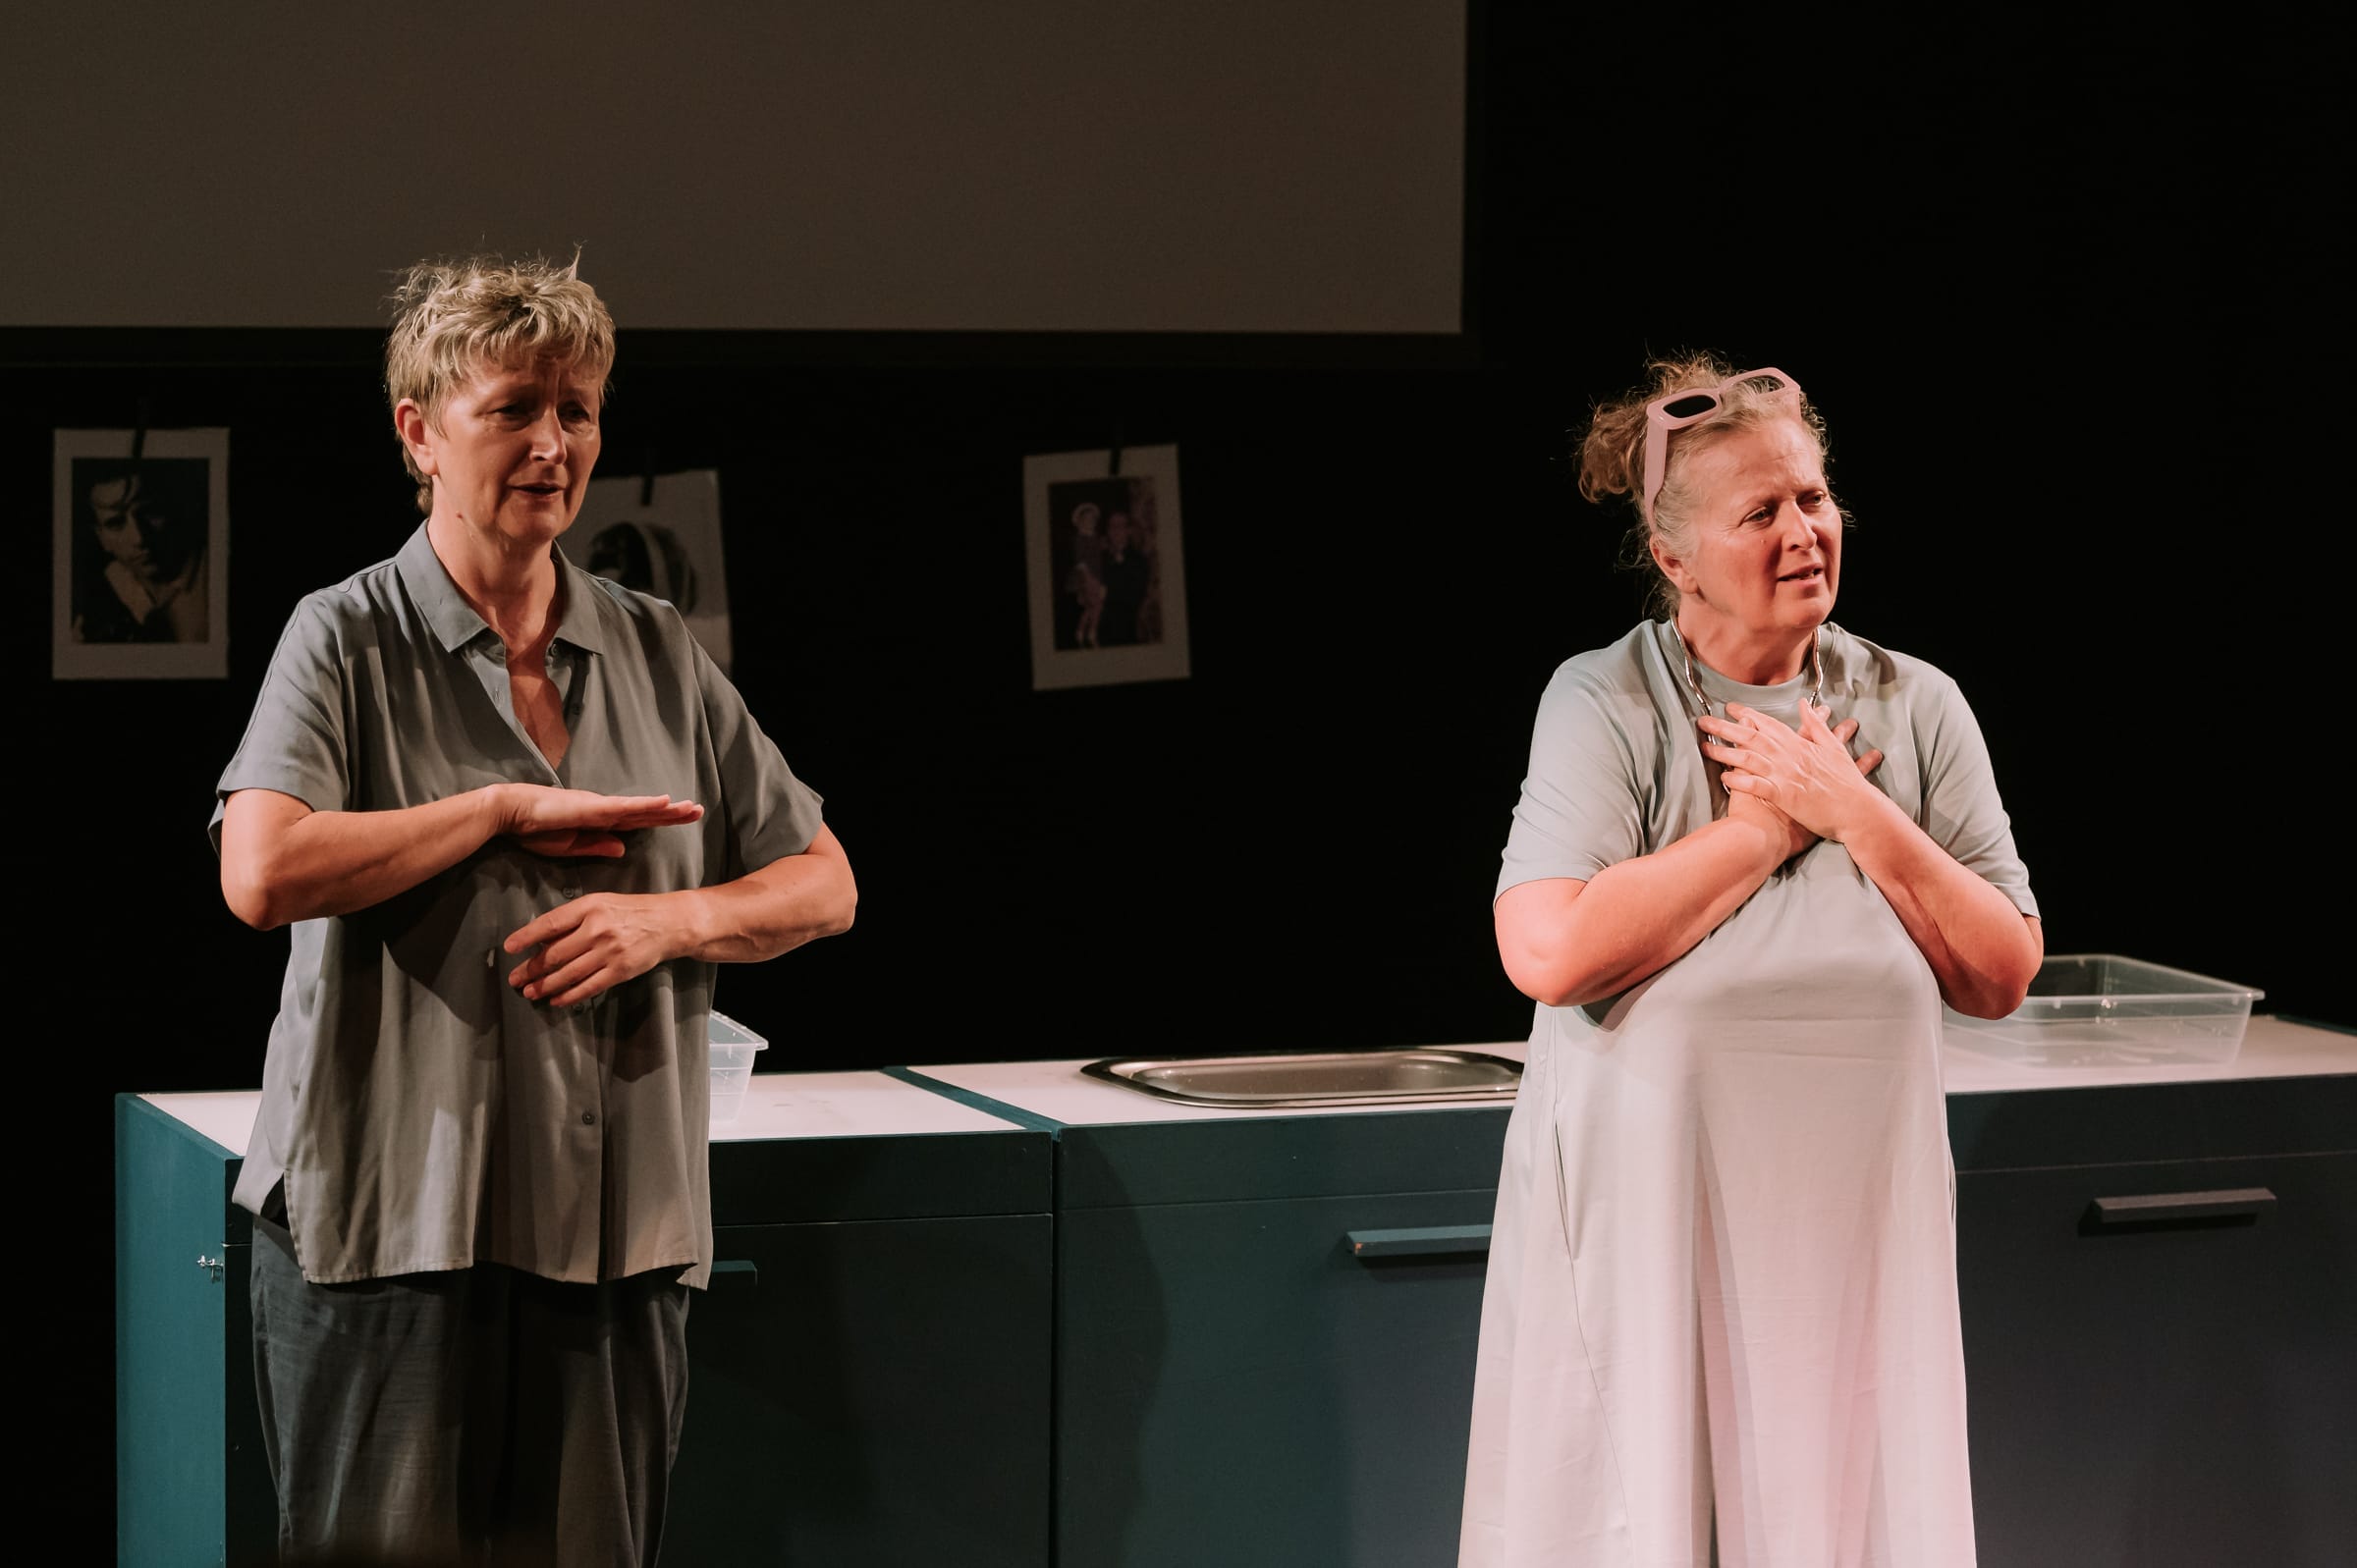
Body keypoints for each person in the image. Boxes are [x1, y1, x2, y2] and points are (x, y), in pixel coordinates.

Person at [210, 253, 856, 1568]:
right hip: (394, 1231)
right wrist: (498, 810)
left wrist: (668, 926)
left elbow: (824, 881)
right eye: (515, 408)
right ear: (419, 433)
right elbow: (261, 872)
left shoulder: (653, 643)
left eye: (578, 410)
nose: (555, 446)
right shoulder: (344, 636)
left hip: (615, 1237)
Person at [1458, 357, 2041, 1568]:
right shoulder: (1606, 701)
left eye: (1815, 499)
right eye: (1761, 512)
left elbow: (2000, 969)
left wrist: (1855, 812)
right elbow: (1549, 950)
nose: (1805, 533)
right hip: (1656, 1229)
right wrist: (1763, 827)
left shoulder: (1913, 703)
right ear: (1673, 557)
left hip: (1852, 1236)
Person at [71, 456, 209, 642]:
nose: (139, 538)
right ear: (101, 538)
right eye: (116, 523)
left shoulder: (212, 573)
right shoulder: (107, 587)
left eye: (150, 512)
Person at [1095, 508, 1152, 646]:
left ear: (1129, 531)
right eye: (1112, 526)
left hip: (1125, 628)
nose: (1115, 530)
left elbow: (1135, 595)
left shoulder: (1139, 560)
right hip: (1098, 628)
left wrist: (1107, 594)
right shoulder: (1100, 558)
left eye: (1120, 526)